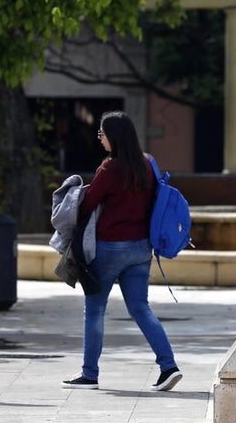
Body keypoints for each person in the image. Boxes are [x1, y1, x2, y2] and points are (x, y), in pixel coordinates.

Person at [63, 110, 182, 392]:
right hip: (141, 247)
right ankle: (169, 366)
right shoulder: (147, 163)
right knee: (140, 308)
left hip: (110, 248)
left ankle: (89, 374)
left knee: (94, 310)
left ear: (113, 137)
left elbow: (87, 205)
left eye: (102, 133)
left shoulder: (109, 168)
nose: (100, 139)